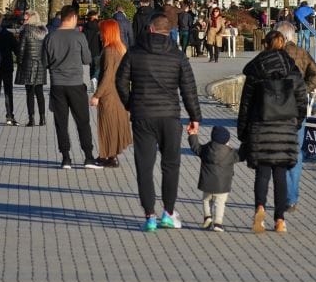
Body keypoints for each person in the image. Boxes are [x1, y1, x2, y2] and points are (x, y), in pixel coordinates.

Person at [116, 13, 201, 232]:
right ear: (169, 31)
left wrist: (130, 104)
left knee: (144, 166)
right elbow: (189, 89)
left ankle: (149, 215)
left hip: (143, 116)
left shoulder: (134, 52)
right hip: (170, 116)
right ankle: (169, 212)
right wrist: (195, 118)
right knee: (171, 165)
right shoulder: (177, 55)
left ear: (151, 29)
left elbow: (120, 81)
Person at [238, 30, 307, 234]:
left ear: (265, 44)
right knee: (280, 173)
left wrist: (243, 132)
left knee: (262, 172)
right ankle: (279, 219)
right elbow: (302, 100)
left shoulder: (256, 71)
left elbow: (246, 104)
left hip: (261, 126)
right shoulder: (292, 70)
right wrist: (296, 122)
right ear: (283, 44)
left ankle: (260, 207)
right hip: (285, 126)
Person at [43, 5, 100, 170]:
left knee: (61, 122)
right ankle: (88, 157)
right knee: (82, 121)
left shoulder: (50, 37)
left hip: (57, 84)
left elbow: (45, 62)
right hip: (75, 84)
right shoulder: (78, 36)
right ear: (74, 18)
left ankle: (66, 158)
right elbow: (87, 60)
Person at [274, 20, 316, 212]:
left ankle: (285, 195)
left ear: (281, 37)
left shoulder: (276, 55)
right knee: (296, 153)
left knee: (280, 153)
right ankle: (292, 198)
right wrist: (303, 89)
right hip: (299, 109)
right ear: (293, 36)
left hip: (278, 110)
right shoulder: (302, 53)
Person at [90, 18, 132, 168]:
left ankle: (107, 155)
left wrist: (96, 95)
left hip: (109, 94)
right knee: (114, 125)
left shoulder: (109, 51)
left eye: (101, 32)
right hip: (119, 93)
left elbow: (107, 75)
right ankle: (110, 155)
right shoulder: (121, 48)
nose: (100, 35)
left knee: (107, 125)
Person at [187, 125, 240, 232]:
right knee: (220, 203)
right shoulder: (230, 153)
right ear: (227, 140)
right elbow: (242, 155)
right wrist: (247, 143)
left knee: (206, 200)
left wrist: (192, 135)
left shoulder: (206, 149)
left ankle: (207, 217)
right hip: (222, 185)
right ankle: (218, 223)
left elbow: (195, 147)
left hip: (207, 183)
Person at [15, 10, 49, 127]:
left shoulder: (26, 31)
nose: (24, 20)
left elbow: (22, 49)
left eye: (26, 18)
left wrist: (19, 61)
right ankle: (43, 118)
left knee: (29, 92)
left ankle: (32, 119)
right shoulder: (44, 31)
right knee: (39, 92)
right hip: (40, 64)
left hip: (28, 64)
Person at [0, 12, 20, 126]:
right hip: (6, 65)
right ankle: (9, 116)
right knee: (8, 91)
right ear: (1, 20)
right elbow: (16, 49)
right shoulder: (7, 34)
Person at [84, 10, 103, 89]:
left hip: (88, 49)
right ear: (94, 16)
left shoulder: (85, 26)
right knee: (98, 67)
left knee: (91, 67)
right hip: (97, 49)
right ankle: (95, 78)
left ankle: (92, 81)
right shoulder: (99, 26)